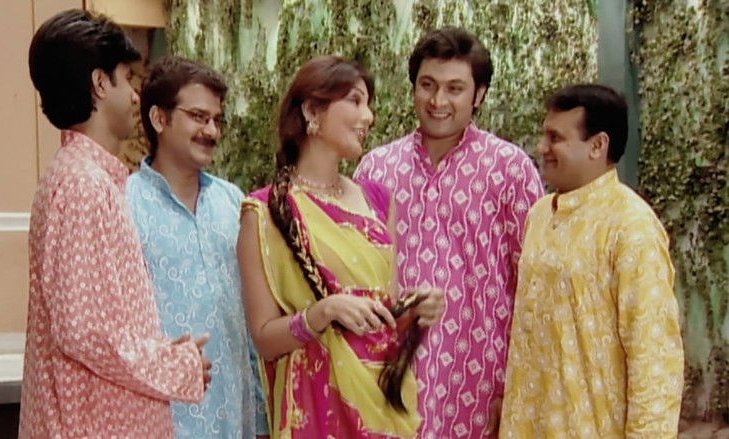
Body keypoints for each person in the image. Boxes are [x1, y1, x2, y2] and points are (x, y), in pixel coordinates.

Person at [20, 10, 210, 438]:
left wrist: (168, 356)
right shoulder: (81, 185)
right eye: (127, 78)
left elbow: (99, 323)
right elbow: (85, 332)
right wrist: (174, 366)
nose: (135, 96)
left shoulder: (88, 179)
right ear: (100, 83)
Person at [237, 55, 446, 439]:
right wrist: (324, 312)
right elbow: (265, 340)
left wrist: (414, 310)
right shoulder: (266, 211)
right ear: (311, 110)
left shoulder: (378, 200)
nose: (368, 116)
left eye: (369, 104)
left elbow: (385, 313)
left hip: (380, 401)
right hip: (314, 408)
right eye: (355, 101)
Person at [354, 27, 544, 438]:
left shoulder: (510, 170)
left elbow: (532, 285)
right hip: (388, 375)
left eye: (454, 88)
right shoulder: (376, 170)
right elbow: (358, 273)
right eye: (428, 85)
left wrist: (514, 387)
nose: (438, 101)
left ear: (479, 95)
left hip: (477, 382)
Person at [499, 84, 684, 438]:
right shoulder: (540, 215)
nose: (541, 148)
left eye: (555, 138)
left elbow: (655, 358)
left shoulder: (630, 226)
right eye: (544, 135)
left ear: (598, 145)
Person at [127, 56, 268, 438]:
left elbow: (250, 316)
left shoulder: (234, 203)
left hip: (234, 416)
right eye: (198, 117)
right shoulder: (125, 205)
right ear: (159, 118)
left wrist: (260, 417)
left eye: (217, 120)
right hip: (161, 419)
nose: (211, 131)